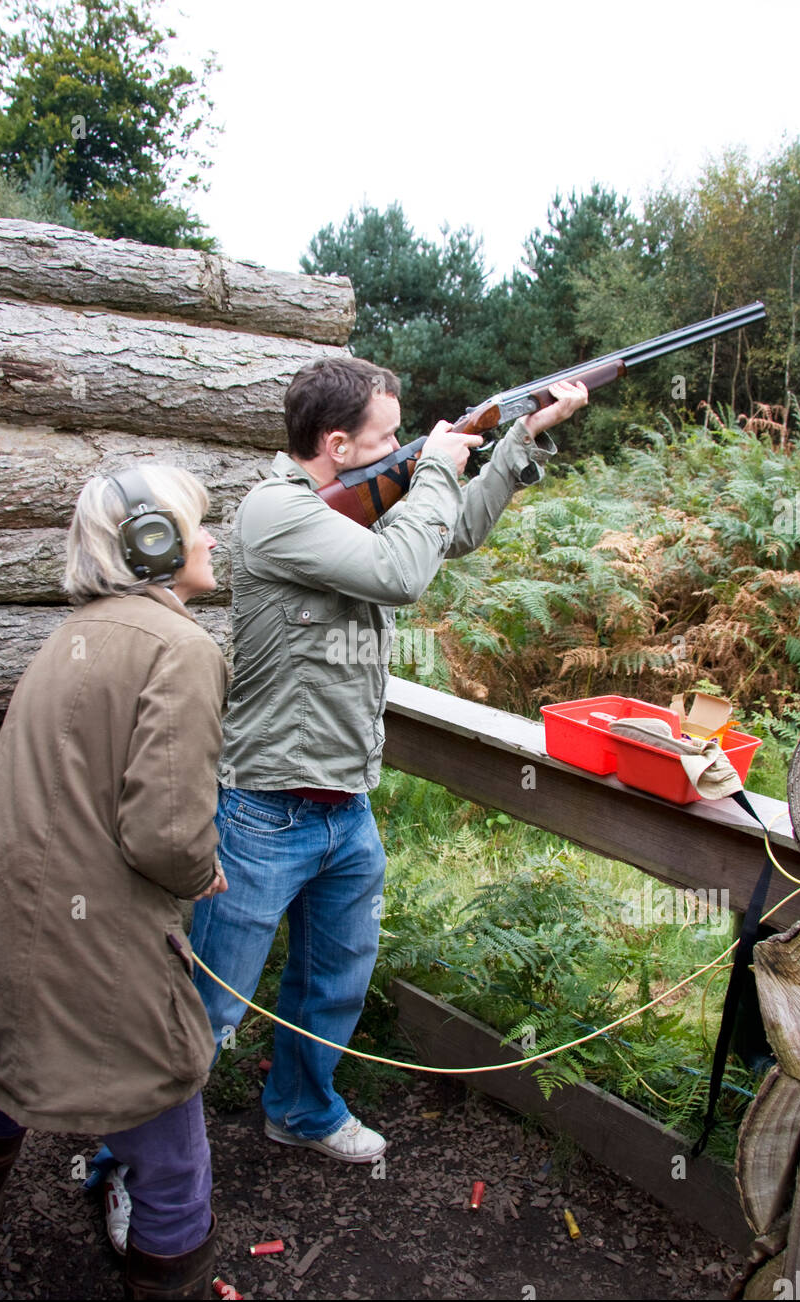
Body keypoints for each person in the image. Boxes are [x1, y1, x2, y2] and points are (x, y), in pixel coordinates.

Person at [190, 357, 588, 1160]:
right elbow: (404, 573)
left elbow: (455, 533)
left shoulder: (355, 498)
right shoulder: (276, 512)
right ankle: (125, 1163)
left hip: (346, 801)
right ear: (338, 445)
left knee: (332, 984)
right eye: (390, 435)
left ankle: (300, 1108)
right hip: (264, 809)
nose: (405, 443)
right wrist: (437, 466)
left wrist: (519, 437)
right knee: (204, 1009)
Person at [0, 465, 229, 1299]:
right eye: (196, 525)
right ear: (153, 543)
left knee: (15, 1072)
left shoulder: (72, 636)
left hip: (6, 940)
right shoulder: (181, 648)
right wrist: (202, 866)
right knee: (173, 1159)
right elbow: (167, 836)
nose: (210, 539)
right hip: (99, 968)